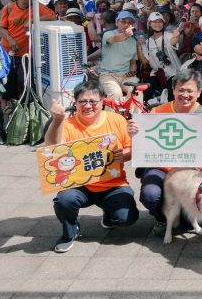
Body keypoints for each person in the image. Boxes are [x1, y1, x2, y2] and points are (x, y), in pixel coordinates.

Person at [46, 81, 139, 253]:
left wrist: (126, 154)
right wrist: (57, 120)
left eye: (93, 101)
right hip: (80, 185)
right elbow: (53, 147)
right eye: (82, 101)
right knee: (64, 200)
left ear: (103, 101)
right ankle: (70, 233)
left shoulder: (117, 120)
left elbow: (131, 148)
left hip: (113, 185)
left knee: (127, 218)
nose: (88, 106)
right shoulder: (68, 124)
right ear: (75, 102)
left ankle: (109, 215)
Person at [132, 69, 202, 235]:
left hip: (190, 170)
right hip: (160, 167)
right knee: (150, 194)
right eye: (180, 90)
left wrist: (200, 157)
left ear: (199, 92)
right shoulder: (157, 112)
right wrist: (134, 131)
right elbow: (144, 142)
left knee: (190, 219)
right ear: (173, 90)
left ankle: (182, 215)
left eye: (190, 91)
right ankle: (161, 218)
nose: (185, 94)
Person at [0, 0, 56, 99]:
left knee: (24, 83)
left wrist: (33, 20)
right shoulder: (8, 8)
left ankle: (24, 111)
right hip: (7, 53)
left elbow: (52, 16)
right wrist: (10, 40)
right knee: (8, 85)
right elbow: (2, 28)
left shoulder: (37, 7)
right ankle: (9, 110)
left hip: (26, 54)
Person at [139, 12, 181, 99]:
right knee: (146, 92)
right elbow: (145, 62)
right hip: (157, 73)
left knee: (172, 94)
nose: (157, 24)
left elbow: (173, 41)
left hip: (173, 72)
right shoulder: (147, 42)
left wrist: (176, 37)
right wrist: (139, 46)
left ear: (163, 23)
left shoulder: (168, 35)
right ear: (149, 24)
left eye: (160, 22)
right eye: (154, 22)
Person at [98, 11, 139, 102]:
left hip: (125, 76)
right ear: (117, 23)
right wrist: (125, 35)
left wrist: (132, 71)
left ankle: (134, 116)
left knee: (137, 92)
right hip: (108, 74)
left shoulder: (133, 41)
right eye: (123, 22)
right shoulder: (108, 34)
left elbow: (133, 62)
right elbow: (114, 39)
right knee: (116, 93)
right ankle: (112, 116)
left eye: (129, 23)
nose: (126, 24)